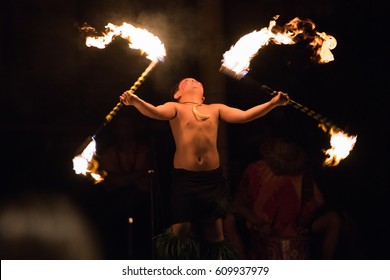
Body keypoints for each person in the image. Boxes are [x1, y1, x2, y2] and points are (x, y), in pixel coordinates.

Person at [119, 77, 289, 259]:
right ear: (178, 94)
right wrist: (135, 101)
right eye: (187, 81)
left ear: (203, 96)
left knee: (216, 233)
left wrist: (273, 104)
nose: (193, 80)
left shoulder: (215, 108)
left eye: (196, 81)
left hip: (211, 179)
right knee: (182, 228)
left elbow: (245, 115)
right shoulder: (175, 107)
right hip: (186, 179)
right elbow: (154, 111)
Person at [227, 136, 342, 259]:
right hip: (261, 230)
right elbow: (240, 206)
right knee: (228, 221)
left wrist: (302, 223)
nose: (280, 168)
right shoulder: (255, 170)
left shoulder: (301, 172)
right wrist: (260, 223)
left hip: (295, 232)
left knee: (334, 219)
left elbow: (312, 206)